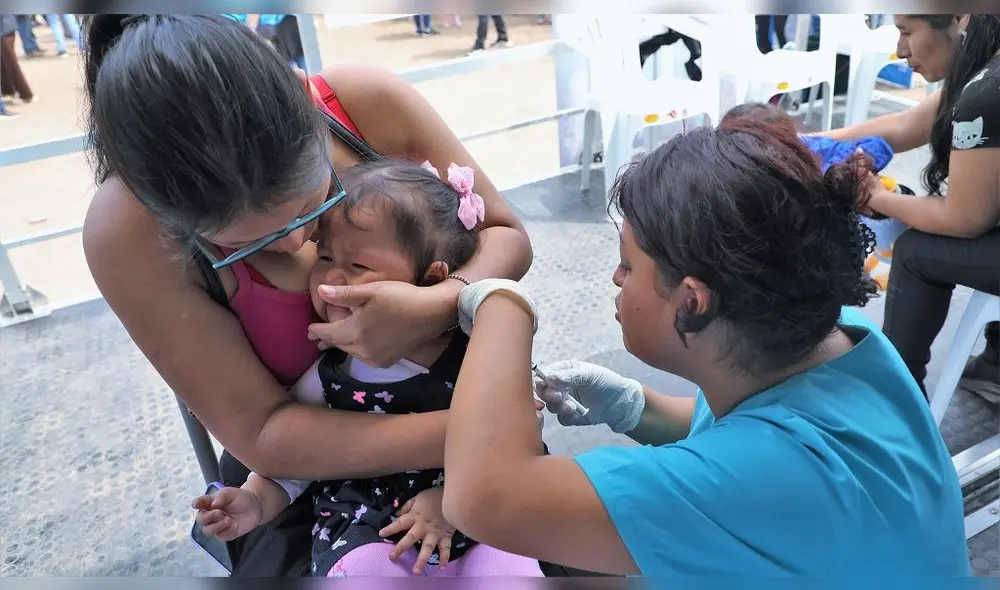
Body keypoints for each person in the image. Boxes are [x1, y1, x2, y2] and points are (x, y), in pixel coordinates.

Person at [80, 14, 533, 577]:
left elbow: (506, 236)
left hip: (464, 411)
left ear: (304, 98)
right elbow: (268, 435)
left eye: (314, 204)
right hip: (311, 470)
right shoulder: (127, 232)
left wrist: (438, 304)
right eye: (251, 245)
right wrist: (476, 428)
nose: (300, 243)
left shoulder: (362, 105)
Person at [441, 104, 970, 575]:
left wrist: (496, 302)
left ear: (693, 301)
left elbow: (484, 499)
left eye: (628, 264)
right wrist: (634, 406)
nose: (616, 280)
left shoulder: (760, 478)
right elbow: (755, 434)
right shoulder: (854, 348)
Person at [192, 158, 543, 577]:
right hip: (365, 526)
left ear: (430, 281)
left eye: (357, 266)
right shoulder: (331, 373)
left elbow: (518, 434)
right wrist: (254, 501)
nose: (330, 278)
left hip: (476, 510)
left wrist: (450, 501)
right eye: (323, 257)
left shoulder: (478, 350)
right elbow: (295, 460)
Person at [816, 14, 1000, 400]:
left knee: (917, 251)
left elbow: (963, 219)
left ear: (958, 17)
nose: (900, 51)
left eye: (906, 32)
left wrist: (877, 197)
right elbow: (901, 126)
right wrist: (803, 143)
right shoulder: (985, 64)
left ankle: (897, 398)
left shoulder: (986, 91)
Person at [0, 14, 34, 104]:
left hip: (4, 26)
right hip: (6, 24)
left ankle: (25, 94)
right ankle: (7, 90)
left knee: (10, 61)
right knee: (4, 61)